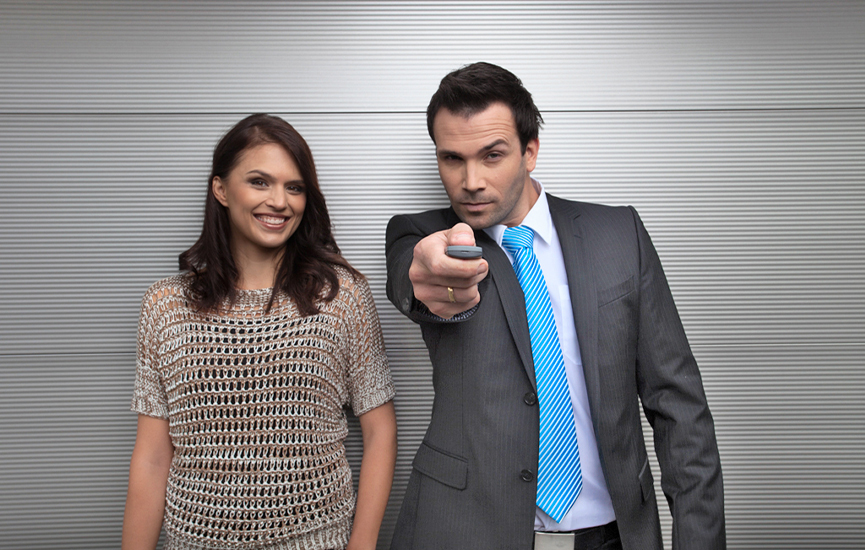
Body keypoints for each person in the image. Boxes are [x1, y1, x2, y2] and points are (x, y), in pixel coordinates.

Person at [385, 63, 724, 550]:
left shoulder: (619, 235)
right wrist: (430, 276)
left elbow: (678, 405)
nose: (471, 181)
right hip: (466, 532)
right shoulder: (420, 235)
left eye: (492, 155)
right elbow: (413, 274)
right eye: (452, 158)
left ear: (530, 151)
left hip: (612, 535)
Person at [122, 114, 397, 550]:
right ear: (221, 189)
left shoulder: (341, 297)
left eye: (295, 187)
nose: (280, 202)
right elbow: (153, 457)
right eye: (259, 182)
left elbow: (380, 432)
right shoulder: (165, 305)